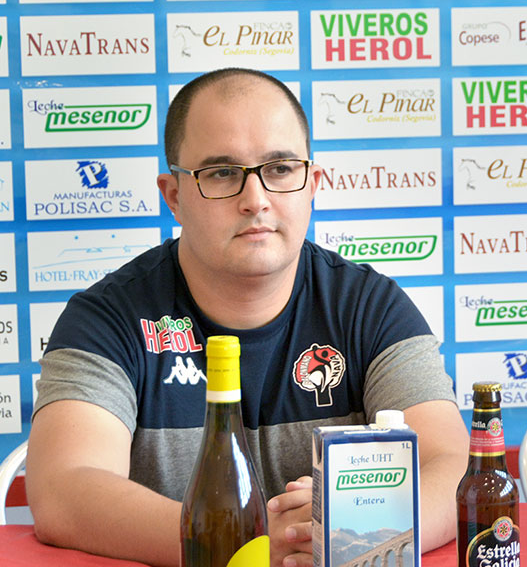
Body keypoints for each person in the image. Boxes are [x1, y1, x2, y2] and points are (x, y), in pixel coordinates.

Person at [26, 68, 469, 567]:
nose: (255, 200)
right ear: (174, 196)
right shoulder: (107, 319)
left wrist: (348, 533)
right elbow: (63, 490)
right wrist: (242, 543)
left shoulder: (372, 306)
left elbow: (453, 466)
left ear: (312, 183)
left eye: (280, 168)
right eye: (221, 173)